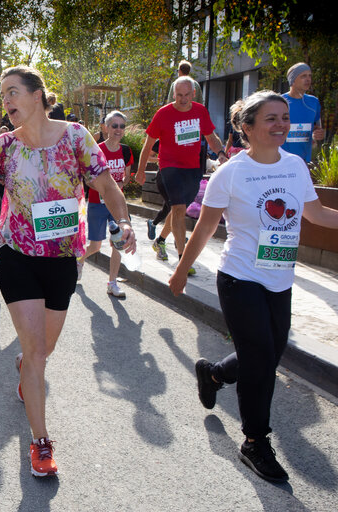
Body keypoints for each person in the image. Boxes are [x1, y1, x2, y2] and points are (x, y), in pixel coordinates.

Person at [0, 65, 135, 477]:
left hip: (63, 257)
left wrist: (124, 221)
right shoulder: (4, 147)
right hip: (17, 254)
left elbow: (107, 186)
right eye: (3, 94)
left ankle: (26, 367)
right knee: (39, 353)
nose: (6, 101)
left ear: (39, 95)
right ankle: (40, 442)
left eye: (13, 92)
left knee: (42, 350)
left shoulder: (76, 137)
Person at [168, 91, 338, 483]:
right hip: (240, 277)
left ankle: (213, 374)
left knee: (268, 353)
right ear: (247, 128)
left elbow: (315, 213)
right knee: (261, 357)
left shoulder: (295, 166)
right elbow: (207, 227)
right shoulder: (231, 173)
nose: (281, 125)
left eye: (285, 118)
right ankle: (254, 441)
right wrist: (181, 270)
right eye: (271, 119)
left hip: (281, 279)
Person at [135, 76, 227, 274]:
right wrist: (141, 171)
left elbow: (211, 137)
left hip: (193, 169)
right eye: (179, 96)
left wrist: (220, 153)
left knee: (179, 210)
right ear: (173, 95)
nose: (183, 99)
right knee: (177, 208)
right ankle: (183, 259)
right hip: (169, 167)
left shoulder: (200, 111)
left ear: (193, 94)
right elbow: (148, 145)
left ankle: (160, 241)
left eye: (187, 95)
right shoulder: (163, 114)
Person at [83, 111, 133, 297]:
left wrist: (120, 184)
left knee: (118, 244)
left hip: (117, 206)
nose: (118, 129)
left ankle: (112, 283)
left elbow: (127, 177)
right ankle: (80, 261)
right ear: (106, 128)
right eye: (114, 126)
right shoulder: (97, 150)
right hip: (97, 204)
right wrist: (104, 187)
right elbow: (87, 179)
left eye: (122, 126)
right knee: (95, 246)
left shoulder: (126, 151)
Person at [281, 62, 325, 164]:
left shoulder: (314, 102)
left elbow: (317, 128)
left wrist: (318, 134)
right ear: (293, 80)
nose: (308, 79)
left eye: (310, 76)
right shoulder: (279, 101)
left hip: (304, 161)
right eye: (303, 76)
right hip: (281, 160)